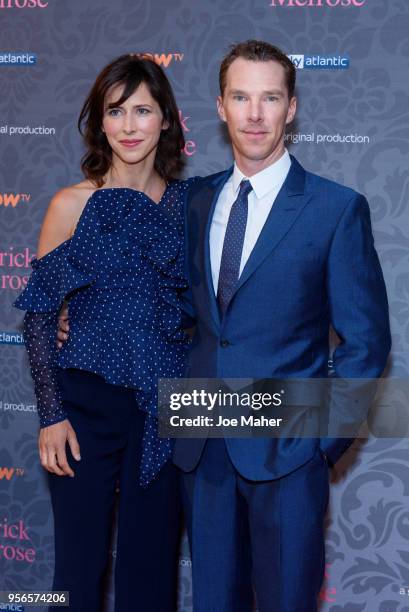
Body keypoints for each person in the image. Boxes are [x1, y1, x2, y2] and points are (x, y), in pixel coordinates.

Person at [170, 41, 391, 611]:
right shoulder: (195, 201)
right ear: (220, 106)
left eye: (270, 98)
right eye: (241, 97)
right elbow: (188, 317)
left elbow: (366, 341)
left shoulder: (335, 208)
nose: (255, 114)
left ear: (291, 107)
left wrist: (322, 443)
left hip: (290, 454)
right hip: (204, 448)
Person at [14, 54, 193, 612]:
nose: (130, 125)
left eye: (143, 110)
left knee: (151, 572)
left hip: (166, 413)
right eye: (116, 111)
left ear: (167, 120)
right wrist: (51, 414)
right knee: (77, 570)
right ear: (100, 121)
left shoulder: (195, 208)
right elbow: (41, 313)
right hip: (83, 407)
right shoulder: (72, 204)